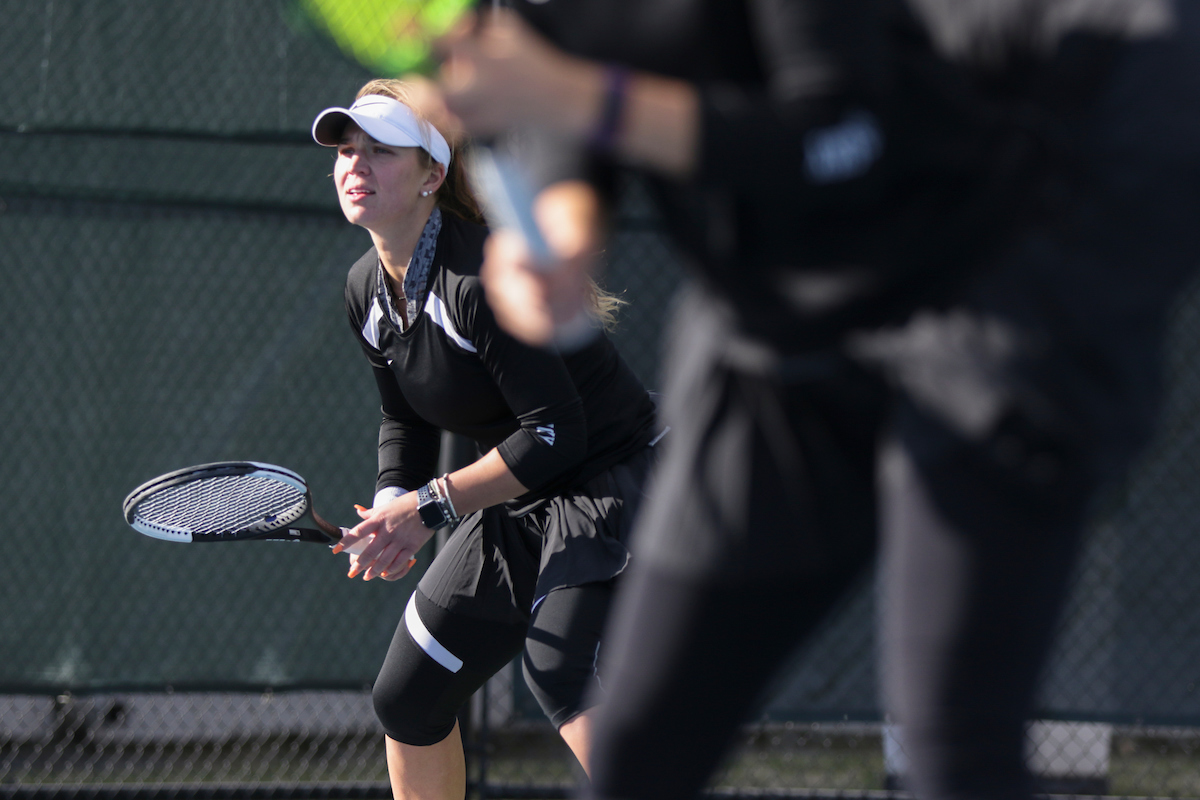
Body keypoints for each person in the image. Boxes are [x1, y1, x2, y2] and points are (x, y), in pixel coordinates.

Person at [426, 2, 1200, 799]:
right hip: (771, 349)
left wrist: (582, 97)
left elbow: (842, 138)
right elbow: (566, 94)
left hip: (980, 311)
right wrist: (563, 222)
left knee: (954, 753)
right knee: (637, 752)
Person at [312, 78, 661, 800]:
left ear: (432, 176)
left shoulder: (482, 281)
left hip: (612, 480)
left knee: (563, 670)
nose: (356, 165)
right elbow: (404, 417)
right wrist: (392, 506)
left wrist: (430, 508)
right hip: (519, 495)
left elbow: (558, 434)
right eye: (347, 150)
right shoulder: (365, 290)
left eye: (381, 150)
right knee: (407, 700)